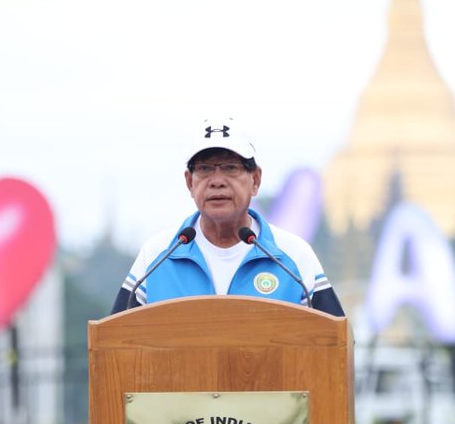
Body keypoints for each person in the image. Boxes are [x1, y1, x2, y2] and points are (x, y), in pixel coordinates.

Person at [111, 118, 344, 315]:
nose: (217, 180)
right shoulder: (157, 256)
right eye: (204, 169)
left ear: (255, 180)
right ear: (189, 183)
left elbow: (334, 346)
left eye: (231, 167)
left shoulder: (293, 257)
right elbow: (115, 344)